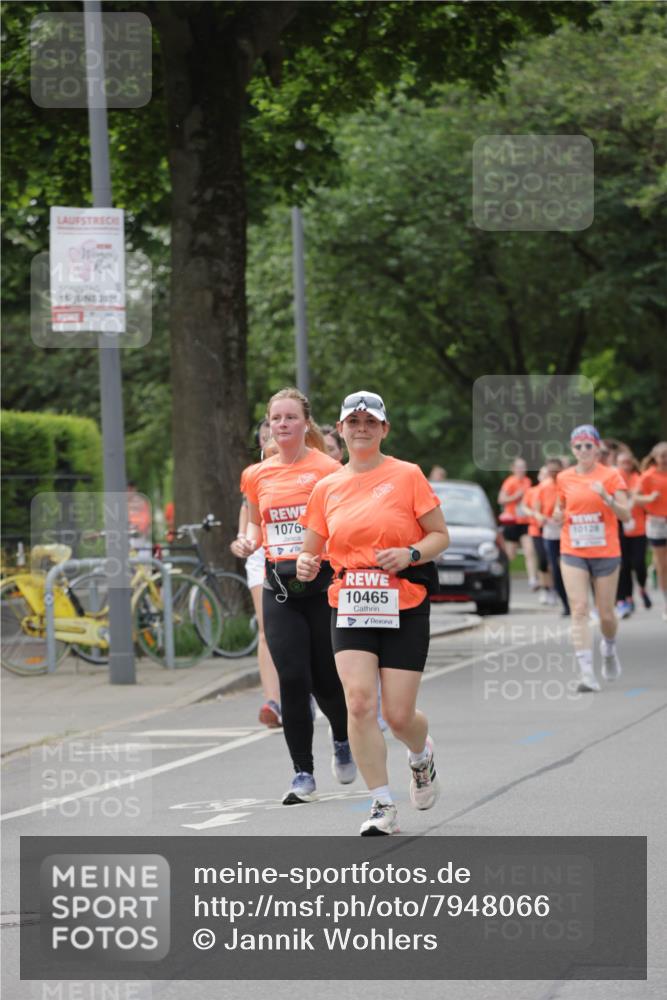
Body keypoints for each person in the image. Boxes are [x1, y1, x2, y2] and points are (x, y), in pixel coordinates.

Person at [297, 391, 449, 836]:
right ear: (340, 430)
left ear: (384, 429)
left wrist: (411, 552)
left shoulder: (408, 475)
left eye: (370, 421)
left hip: (404, 598)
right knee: (359, 703)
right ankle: (382, 804)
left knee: (399, 716)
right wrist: (307, 565)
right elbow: (312, 555)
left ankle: (421, 756)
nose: (361, 428)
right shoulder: (326, 487)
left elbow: (440, 535)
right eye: (352, 421)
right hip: (350, 599)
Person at [239, 387, 356, 803]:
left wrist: (317, 554)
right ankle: (302, 772)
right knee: (292, 677)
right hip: (280, 589)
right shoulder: (257, 474)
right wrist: (247, 542)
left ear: (306, 423)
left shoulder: (328, 469)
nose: (283, 425)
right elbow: (257, 523)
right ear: (268, 425)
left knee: (326, 679)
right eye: (276, 418)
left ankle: (342, 737)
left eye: (291, 417)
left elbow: (342, 527)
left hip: (322, 586)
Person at [552, 425, 629, 692]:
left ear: (597, 448)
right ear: (572, 450)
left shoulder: (611, 476)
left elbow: (626, 514)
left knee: (606, 614)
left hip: (606, 551)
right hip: (573, 549)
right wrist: (557, 516)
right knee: (580, 609)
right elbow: (559, 509)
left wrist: (607, 497)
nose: (583, 450)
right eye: (578, 446)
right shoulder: (563, 477)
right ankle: (587, 674)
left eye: (588, 445)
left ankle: (608, 649)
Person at [231, 424, 282, 728]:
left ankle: (308, 691)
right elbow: (247, 518)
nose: (270, 444)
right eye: (264, 440)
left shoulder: (306, 472)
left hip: (295, 556)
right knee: (267, 630)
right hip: (263, 557)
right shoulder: (255, 477)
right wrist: (243, 540)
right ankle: (273, 702)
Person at [615, 449, 650, 618]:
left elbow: (641, 499)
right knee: (625, 566)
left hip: (639, 529)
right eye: (622, 463)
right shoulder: (614, 478)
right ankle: (627, 598)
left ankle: (642, 588)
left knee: (639, 564)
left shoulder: (638, 478)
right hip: (621, 530)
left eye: (628, 462)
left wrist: (635, 497)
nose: (625, 466)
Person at [533, 457, 570, 616]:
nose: (553, 474)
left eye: (557, 470)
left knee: (568, 566)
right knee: (555, 569)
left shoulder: (568, 484)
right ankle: (565, 604)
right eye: (551, 471)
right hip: (550, 530)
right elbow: (535, 509)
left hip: (567, 529)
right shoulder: (543, 487)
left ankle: (575, 600)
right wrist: (539, 516)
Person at [636, 441, 667, 621]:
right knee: (663, 565)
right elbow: (635, 498)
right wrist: (649, 497)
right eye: (662, 456)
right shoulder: (648, 476)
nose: (664, 459)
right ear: (655, 457)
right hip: (656, 522)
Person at [498, 458, 537, 587]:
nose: (521, 470)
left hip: (525, 521)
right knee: (511, 555)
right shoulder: (509, 482)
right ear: (513, 469)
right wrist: (516, 496)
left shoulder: (527, 481)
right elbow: (501, 500)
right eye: (519, 467)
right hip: (512, 522)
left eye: (524, 467)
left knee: (529, 550)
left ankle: (532, 579)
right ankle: (504, 579)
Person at [521, 467, 555, 606]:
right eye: (542, 474)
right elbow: (525, 507)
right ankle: (545, 588)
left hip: (552, 527)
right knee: (542, 560)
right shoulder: (532, 491)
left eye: (548, 474)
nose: (545, 476)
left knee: (552, 561)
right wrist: (533, 513)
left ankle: (553, 588)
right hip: (536, 528)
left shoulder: (555, 489)